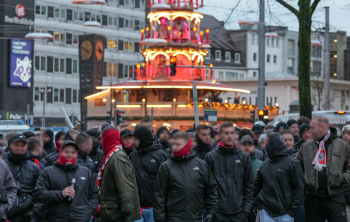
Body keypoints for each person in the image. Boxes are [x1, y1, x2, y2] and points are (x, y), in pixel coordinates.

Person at [154, 131, 218, 222]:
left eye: (178, 144)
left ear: (187, 145)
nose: (174, 147)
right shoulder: (166, 167)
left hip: (196, 217)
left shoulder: (201, 165)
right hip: (173, 219)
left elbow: (211, 190)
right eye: (174, 144)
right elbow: (159, 195)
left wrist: (212, 211)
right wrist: (160, 218)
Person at [296, 116, 350, 222]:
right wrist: (305, 179)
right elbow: (296, 167)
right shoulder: (305, 147)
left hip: (335, 197)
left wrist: (341, 178)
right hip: (313, 198)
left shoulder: (342, 145)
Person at [34, 140, 99, 222]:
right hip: (56, 218)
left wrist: (87, 211)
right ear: (61, 152)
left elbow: (94, 195)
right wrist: (60, 194)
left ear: (76, 154)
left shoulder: (86, 172)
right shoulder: (48, 172)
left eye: (73, 152)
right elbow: (38, 194)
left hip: (81, 218)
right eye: (66, 152)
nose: (69, 155)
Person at [205, 122, 253, 222]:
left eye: (232, 133)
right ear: (220, 135)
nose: (229, 136)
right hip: (217, 213)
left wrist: (246, 210)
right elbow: (207, 186)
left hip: (239, 213)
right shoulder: (211, 157)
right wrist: (211, 211)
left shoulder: (244, 157)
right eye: (226, 133)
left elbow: (249, 185)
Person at [254, 133, 304, 222]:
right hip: (266, 211)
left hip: (286, 213)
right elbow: (256, 185)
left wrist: (292, 211)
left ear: (273, 144)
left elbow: (299, 188)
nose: (265, 146)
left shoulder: (292, 163)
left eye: (267, 143)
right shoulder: (265, 163)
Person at [97, 126, 141, 221]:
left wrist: (126, 213)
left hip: (117, 214)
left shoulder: (117, 157)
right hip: (113, 212)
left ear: (106, 139)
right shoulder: (113, 155)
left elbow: (125, 186)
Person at [130, 126, 168, 222]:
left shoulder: (160, 155)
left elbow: (167, 181)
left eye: (135, 139)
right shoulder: (133, 155)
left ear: (142, 139)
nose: (133, 141)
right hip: (137, 207)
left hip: (154, 208)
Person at [5, 134, 41, 222]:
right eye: (16, 145)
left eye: (22, 145)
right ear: (11, 145)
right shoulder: (3, 165)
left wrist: (34, 211)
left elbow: (40, 192)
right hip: (5, 214)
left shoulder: (33, 167)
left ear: (26, 146)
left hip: (27, 214)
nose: (19, 148)